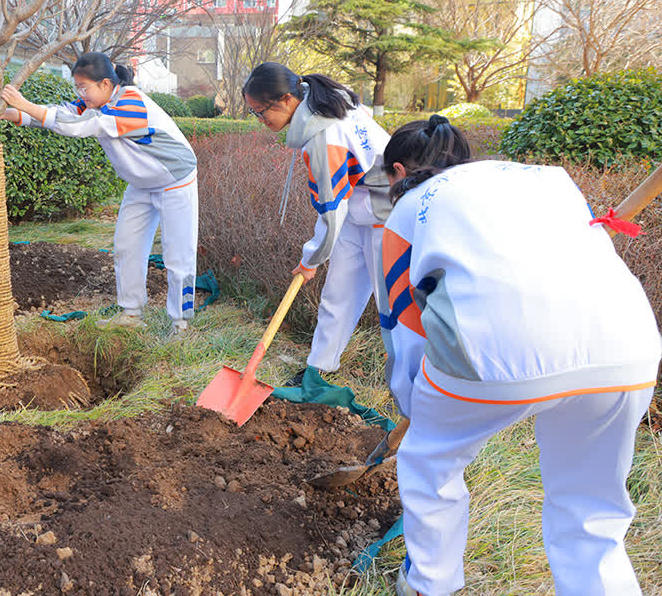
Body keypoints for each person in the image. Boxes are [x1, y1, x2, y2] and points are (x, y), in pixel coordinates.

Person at [381, 116, 660, 596]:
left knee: (430, 466)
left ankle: (428, 584)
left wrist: (414, 410)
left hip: (492, 352)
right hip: (626, 346)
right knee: (589, 508)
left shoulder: (410, 206)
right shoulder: (548, 179)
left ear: (398, 173)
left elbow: (405, 327)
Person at [1, 53, 198, 334]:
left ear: (105, 83)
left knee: (178, 255)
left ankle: (181, 324)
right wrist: (14, 114)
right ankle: (131, 313)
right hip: (141, 183)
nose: (80, 94)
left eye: (84, 87)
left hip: (175, 179)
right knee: (126, 246)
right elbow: (63, 115)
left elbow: (82, 126)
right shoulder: (93, 102)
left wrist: (24, 104)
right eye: (77, 88)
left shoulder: (131, 103)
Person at [241, 63, 391, 382]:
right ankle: (318, 369)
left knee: (390, 298)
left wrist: (311, 260)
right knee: (338, 291)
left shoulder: (323, 139)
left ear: (286, 99)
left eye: (261, 112)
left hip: (388, 205)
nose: (260, 120)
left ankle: (414, 380)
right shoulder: (323, 98)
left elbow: (331, 211)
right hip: (361, 201)